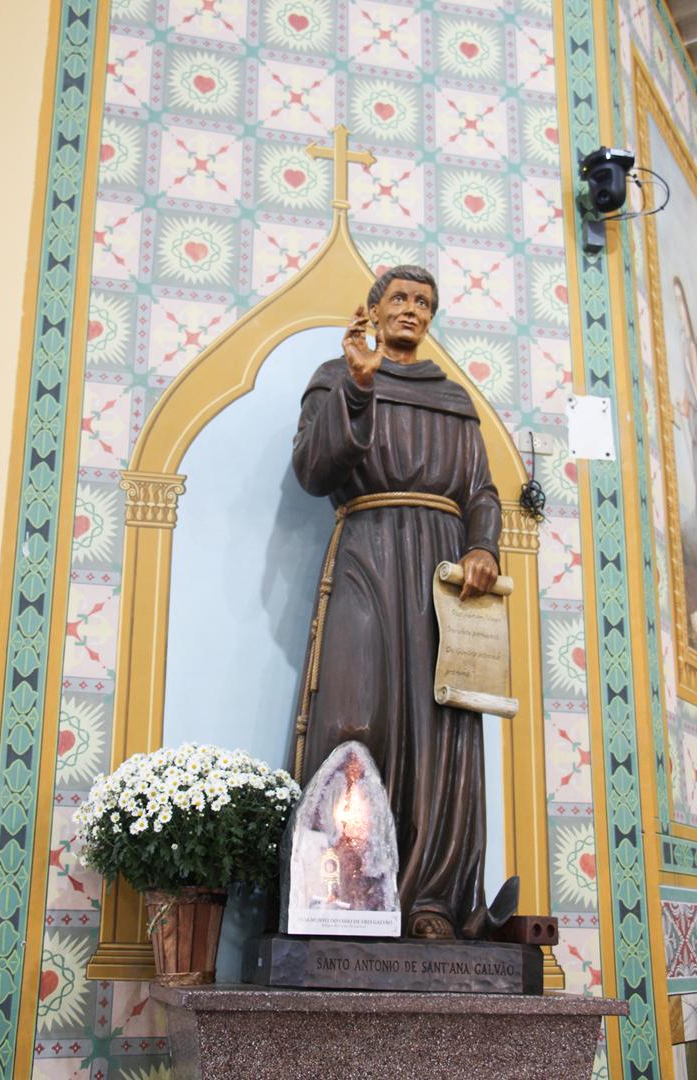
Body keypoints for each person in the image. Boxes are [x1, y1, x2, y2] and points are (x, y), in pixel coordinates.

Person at [291, 265, 514, 939]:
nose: (412, 309)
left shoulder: (453, 399)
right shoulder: (338, 377)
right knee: (352, 713)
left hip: (444, 575)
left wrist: (483, 546)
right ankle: (343, 892)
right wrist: (358, 388)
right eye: (400, 298)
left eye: (424, 301)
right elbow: (312, 471)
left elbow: (480, 491)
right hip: (368, 548)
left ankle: (431, 901)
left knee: (441, 728)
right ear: (374, 310)